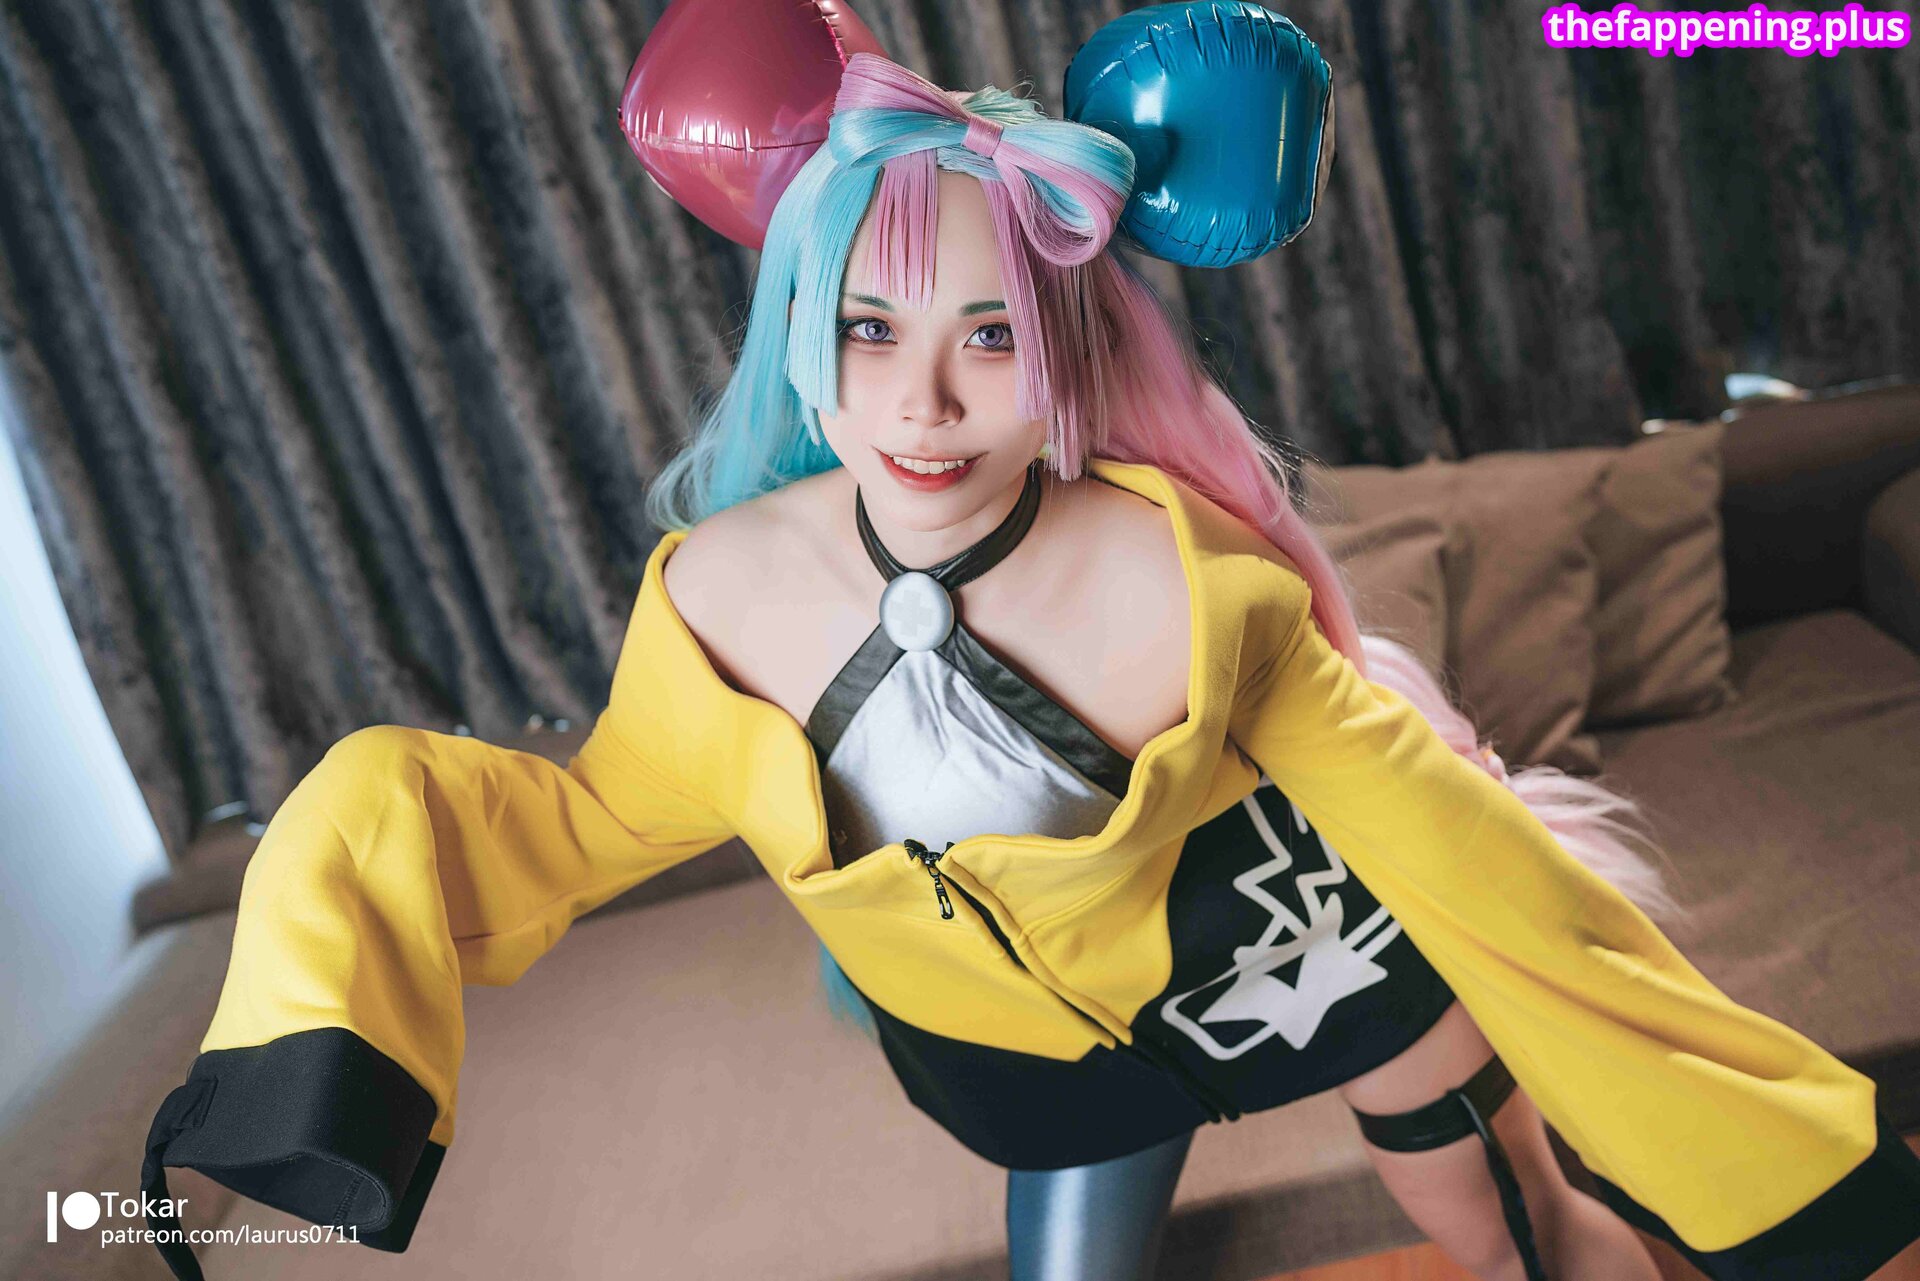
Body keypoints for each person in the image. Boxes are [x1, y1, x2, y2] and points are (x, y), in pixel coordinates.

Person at [141, 47, 1920, 1281]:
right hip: (1029, 1044)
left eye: (988, 334)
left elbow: (1471, 860)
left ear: (1063, 348)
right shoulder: (721, 597)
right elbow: (563, 826)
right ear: (806, 334)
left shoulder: (1187, 577)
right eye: (872, 328)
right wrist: (325, 977)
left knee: (1510, 1229)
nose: (921, 404)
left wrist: (1781, 1167)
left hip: (1288, 935)